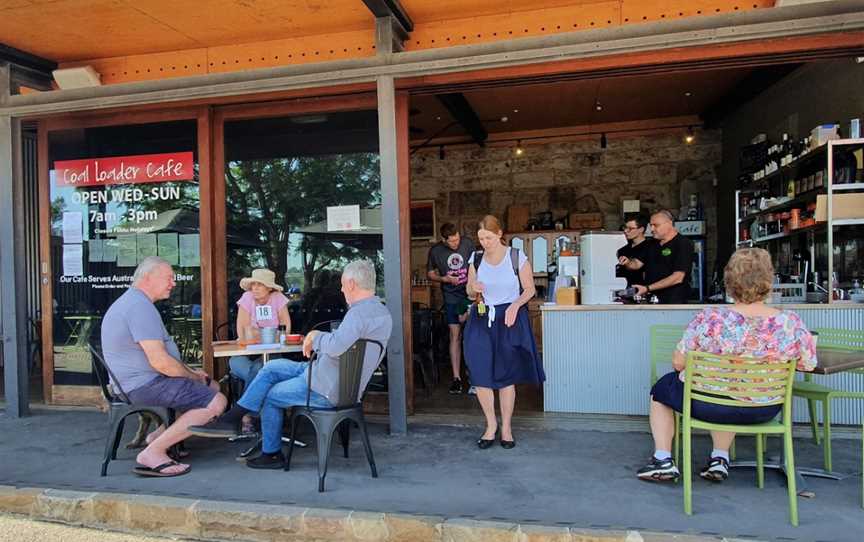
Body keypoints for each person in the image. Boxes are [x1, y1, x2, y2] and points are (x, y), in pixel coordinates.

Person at [189, 259, 393, 469]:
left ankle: (271, 453)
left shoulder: (358, 314)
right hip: (327, 374)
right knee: (270, 368)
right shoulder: (381, 312)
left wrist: (315, 336)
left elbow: (335, 347)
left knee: (269, 394)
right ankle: (235, 417)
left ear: (351, 284)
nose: (341, 289)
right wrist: (322, 337)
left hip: (326, 388)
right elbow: (341, 346)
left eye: (342, 284)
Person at [637, 248, 817, 483]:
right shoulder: (790, 322)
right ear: (768, 280)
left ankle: (663, 460)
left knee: (662, 389)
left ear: (729, 281)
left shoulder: (710, 318)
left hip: (708, 404)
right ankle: (719, 459)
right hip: (764, 408)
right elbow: (808, 364)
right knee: (733, 389)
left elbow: (678, 363)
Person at [101, 256, 227, 477]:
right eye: (169, 277)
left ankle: (157, 438)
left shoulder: (134, 302)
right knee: (217, 401)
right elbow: (160, 362)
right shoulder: (139, 307)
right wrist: (193, 377)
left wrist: (193, 374)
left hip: (139, 381)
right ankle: (153, 452)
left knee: (212, 386)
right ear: (147, 278)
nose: (174, 283)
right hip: (144, 384)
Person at [464, 215, 545, 449]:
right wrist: (473, 287)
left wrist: (515, 304)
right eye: (481, 238)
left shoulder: (516, 257)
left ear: (499, 234)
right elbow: (470, 292)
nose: (485, 243)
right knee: (480, 374)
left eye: (488, 237)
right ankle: (491, 425)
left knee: (505, 374)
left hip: (509, 318)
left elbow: (530, 289)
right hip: (481, 319)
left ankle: (506, 427)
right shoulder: (475, 258)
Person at [426, 222, 475, 394]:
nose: (456, 244)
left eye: (457, 240)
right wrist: (445, 279)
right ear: (444, 240)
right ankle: (456, 378)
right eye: (452, 242)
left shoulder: (468, 243)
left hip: (470, 295)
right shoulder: (435, 251)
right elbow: (430, 274)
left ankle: (473, 377)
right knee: (455, 335)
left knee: (471, 335)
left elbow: (478, 264)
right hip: (451, 297)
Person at [229, 268, 292, 385]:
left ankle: (243, 403)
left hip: (272, 352)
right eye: (253, 284)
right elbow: (243, 332)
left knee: (260, 369)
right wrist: (270, 334)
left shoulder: (278, 297)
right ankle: (263, 399)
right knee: (241, 364)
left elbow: (285, 328)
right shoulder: (247, 297)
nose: (255, 288)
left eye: (260, 284)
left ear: (269, 288)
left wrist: (257, 332)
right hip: (246, 352)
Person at [628, 209, 694, 304]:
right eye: (651, 225)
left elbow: (678, 277)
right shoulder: (650, 243)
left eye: (656, 225)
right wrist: (626, 262)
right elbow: (637, 264)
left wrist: (647, 288)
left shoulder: (683, 244)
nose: (652, 229)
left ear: (669, 223)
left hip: (673, 301)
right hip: (651, 300)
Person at [616, 213, 655, 288]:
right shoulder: (622, 250)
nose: (626, 231)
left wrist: (628, 262)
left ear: (641, 229)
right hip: (626, 291)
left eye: (630, 228)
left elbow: (636, 265)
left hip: (647, 291)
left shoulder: (651, 246)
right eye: (625, 227)